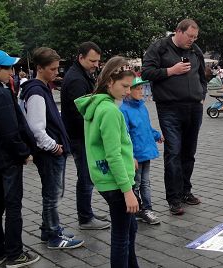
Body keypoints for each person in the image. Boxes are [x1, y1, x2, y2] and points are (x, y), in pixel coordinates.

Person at [75, 56, 140, 267]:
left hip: (105, 177)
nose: (128, 91)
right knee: (122, 237)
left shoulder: (96, 104)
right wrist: (127, 190)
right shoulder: (110, 111)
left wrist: (130, 157)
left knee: (129, 230)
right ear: (109, 82)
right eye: (124, 86)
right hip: (117, 182)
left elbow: (105, 146)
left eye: (130, 86)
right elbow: (112, 154)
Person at [20, 47, 84, 249]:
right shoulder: (37, 91)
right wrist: (53, 146)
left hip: (52, 149)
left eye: (58, 68)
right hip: (49, 152)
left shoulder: (40, 88)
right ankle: (54, 234)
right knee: (52, 194)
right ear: (40, 68)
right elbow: (36, 128)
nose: (56, 72)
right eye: (53, 69)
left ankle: (49, 229)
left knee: (52, 193)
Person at [142, 19, 206, 215]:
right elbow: (146, 72)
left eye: (195, 37)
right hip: (170, 108)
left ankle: (186, 190)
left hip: (194, 107)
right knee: (173, 152)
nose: (192, 40)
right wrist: (171, 71)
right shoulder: (159, 47)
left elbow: (202, 76)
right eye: (189, 36)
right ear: (178, 31)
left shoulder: (195, 50)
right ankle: (174, 198)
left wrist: (201, 95)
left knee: (189, 153)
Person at [0, 50, 40, 267]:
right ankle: (15, 253)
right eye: (8, 68)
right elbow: (10, 131)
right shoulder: (1, 94)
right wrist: (23, 152)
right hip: (7, 159)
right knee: (13, 206)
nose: (12, 72)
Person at [60, 41, 111, 230]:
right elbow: (79, 112)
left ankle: (87, 213)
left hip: (81, 134)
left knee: (87, 176)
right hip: (79, 136)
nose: (96, 65)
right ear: (80, 57)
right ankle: (85, 217)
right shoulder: (76, 79)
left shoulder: (82, 74)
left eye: (98, 61)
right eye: (92, 61)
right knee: (86, 176)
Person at [119, 76, 162, 225]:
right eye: (137, 88)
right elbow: (125, 135)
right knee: (136, 183)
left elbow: (146, 127)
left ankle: (146, 208)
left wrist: (157, 135)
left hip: (146, 151)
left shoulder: (142, 107)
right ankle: (138, 209)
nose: (141, 91)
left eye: (142, 88)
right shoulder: (123, 110)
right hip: (136, 154)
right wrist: (130, 156)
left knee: (145, 182)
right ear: (128, 91)